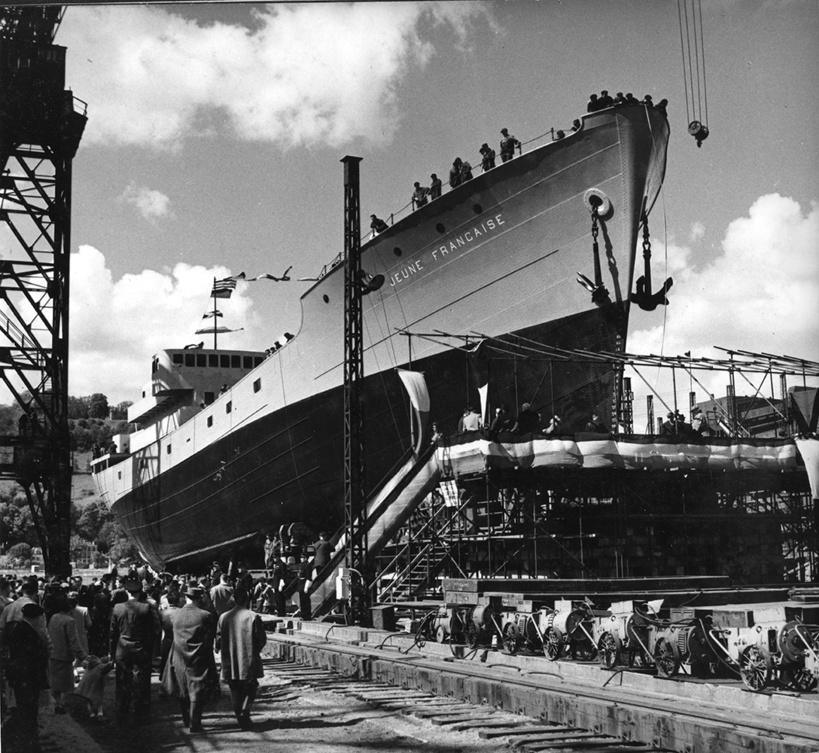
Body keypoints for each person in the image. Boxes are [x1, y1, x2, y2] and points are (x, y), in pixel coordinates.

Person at [163, 585, 218, 733]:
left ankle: (186, 719)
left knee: (182, 688)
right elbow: (210, 638)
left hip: (178, 655)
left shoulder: (175, 615)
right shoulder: (206, 615)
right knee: (197, 689)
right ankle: (195, 722)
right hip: (198, 656)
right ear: (200, 598)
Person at [109, 576, 160, 725]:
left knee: (123, 680)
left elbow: (112, 633)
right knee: (143, 680)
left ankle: (122, 709)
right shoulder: (147, 607)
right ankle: (141, 711)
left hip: (123, 649)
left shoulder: (118, 607)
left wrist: (112, 654)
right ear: (140, 591)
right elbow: (154, 630)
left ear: (126, 591)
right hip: (142, 648)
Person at [216, 587, 266, 729]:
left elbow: (218, 639)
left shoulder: (223, 617)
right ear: (246, 599)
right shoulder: (253, 616)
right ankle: (245, 710)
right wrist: (255, 650)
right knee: (251, 686)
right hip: (248, 658)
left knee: (234, 688)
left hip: (230, 658)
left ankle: (240, 717)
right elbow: (261, 639)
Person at [5, 603, 49, 737]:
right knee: (28, 709)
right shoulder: (28, 632)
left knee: (26, 707)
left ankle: (26, 733)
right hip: (27, 678)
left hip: (23, 677)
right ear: (35, 618)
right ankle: (27, 736)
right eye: (41, 618)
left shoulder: (19, 628)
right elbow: (31, 658)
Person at [48, 593, 87, 714]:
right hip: (64, 656)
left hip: (52, 654)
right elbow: (73, 641)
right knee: (67, 685)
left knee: (54, 684)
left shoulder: (53, 617)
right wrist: (82, 656)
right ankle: (64, 707)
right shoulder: (69, 621)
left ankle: (56, 705)